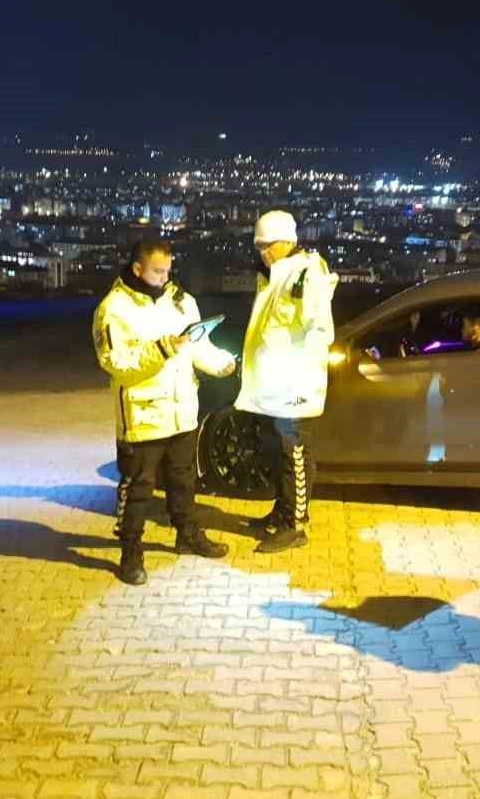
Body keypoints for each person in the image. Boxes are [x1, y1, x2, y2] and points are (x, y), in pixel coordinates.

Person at [93, 238, 237, 585]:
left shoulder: (181, 301)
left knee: (184, 479)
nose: (165, 277)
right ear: (137, 268)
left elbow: (197, 346)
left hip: (182, 411)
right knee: (138, 488)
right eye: (158, 271)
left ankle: (187, 534)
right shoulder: (114, 309)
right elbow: (117, 363)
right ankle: (131, 552)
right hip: (143, 417)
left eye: (168, 270)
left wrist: (221, 364)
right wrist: (162, 349)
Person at [235, 209, 338, 554]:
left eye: (268, 245)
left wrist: (297, 377)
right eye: (258, 246)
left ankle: (295, 526)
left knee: (293, 455)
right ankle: (282, 513)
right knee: (278, 453)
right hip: (274, 384)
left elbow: (319, 331)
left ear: (287, 241)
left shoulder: (306, 273)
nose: (263, 252)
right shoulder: (273, 274)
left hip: (295, 386)